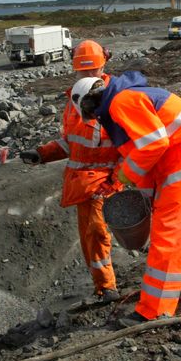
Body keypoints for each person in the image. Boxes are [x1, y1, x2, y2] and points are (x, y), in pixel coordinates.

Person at [70, 71, 181, 326]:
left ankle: (153, 311)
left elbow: (154, 143)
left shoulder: (121, 102)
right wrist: (143, 192)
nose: (95, 120)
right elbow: (144, 148)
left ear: (90, 103)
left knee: (166, 238)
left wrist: (125, 175)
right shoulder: (127, 98)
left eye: (91, 115)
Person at [21, 40, 123, 303]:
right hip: (81, 183)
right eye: (84, 72)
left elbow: (129, 147)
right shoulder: (74, 101)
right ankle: (101, 287)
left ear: (104, 66)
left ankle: (108, 288)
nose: (89, 77)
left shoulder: (114, 99)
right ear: (75, 70)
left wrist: (115, 180)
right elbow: (71, 141)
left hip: (104, 182)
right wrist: (43, 153)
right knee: (89, 236)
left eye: (93, 72)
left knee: (98, 232)